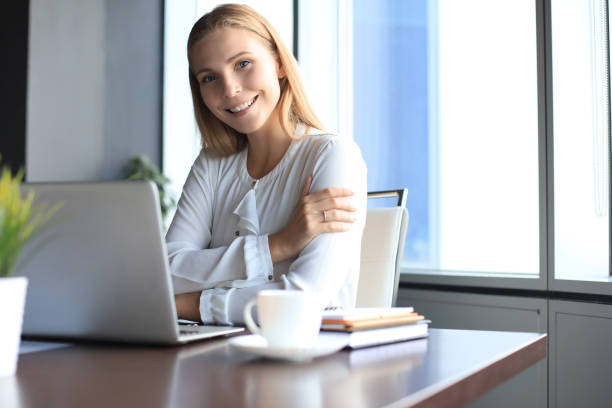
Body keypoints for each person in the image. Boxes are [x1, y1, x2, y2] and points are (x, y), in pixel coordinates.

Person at [167, 3, 367, 325]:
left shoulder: (331, 155)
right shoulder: (211, 164)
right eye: (209, 78)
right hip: (214, 360)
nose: (230, 89)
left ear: (279, 64)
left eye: (243, 64)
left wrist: (187, 304)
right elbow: (166, 271)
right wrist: (277, 245)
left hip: (309, 364)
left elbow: (302, 301)